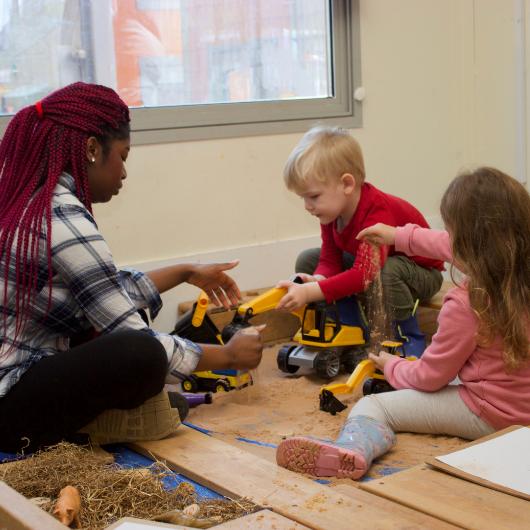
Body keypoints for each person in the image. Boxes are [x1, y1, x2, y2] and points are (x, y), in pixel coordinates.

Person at [0, 82, 264, 453]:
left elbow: (102, 290)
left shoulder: (27, 196)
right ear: (92, 149)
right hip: (9, 403)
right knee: (140, 355)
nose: (124, 171)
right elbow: (132, 336)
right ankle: (74, 429)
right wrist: (229, 356)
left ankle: (97, 422)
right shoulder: (62, 217)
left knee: (154, 382)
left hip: (16, 383)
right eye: (123, 155)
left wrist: (186, 272)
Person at [276, 167, 530, 480]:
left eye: (451, 233)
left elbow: (429, 378)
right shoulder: (514, 263)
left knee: (375, 406)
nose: (445, 240)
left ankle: (353, 449)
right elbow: (444, 244)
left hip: (492, 414)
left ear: (464, 244)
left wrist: (393, 365)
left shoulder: (467, 305)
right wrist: (398, 236)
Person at [276, 126, 444, 356]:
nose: (307, 206)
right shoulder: (331, 212)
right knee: (308, 260)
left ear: (347, 184)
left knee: (388, 271)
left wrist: (310, 292)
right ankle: (350, 328)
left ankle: (406, 337)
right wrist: (318, 279)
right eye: (303, 198)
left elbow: (364, 274)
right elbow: (329, 258)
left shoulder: (376, 213)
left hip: (421, 275)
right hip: (378, 268)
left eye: (313, 196)